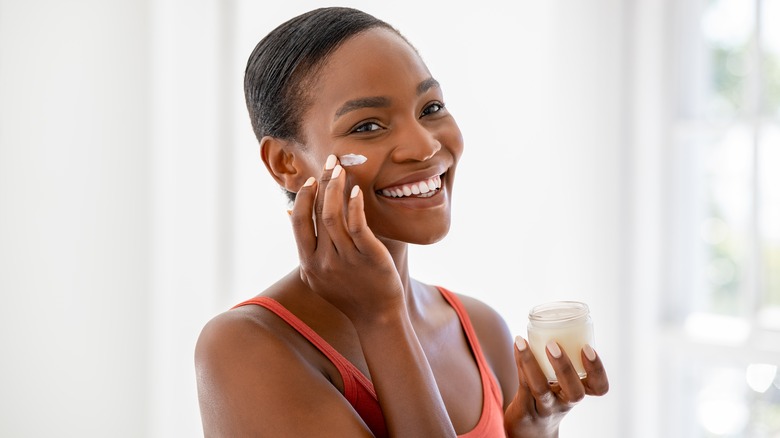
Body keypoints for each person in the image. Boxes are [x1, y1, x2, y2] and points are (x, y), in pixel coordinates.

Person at [195, 7, 609, 437]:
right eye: (369, 125)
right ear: (286, 162)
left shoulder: (480, 329)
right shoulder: (245, 347)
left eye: (430, 107)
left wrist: (533, 424)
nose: (424, 146)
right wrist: (381, 319)